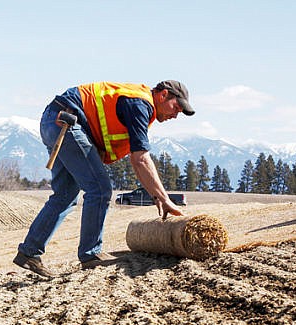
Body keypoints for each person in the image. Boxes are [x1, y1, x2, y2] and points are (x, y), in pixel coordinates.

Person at [13, 80, 194, 277]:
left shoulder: (139, 102)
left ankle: (29, 252)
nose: (176, 115)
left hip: (55, 119)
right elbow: (140, 159)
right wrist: (164, 199)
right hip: (67, 121)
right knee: (100, 190)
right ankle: (91, 254)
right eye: (176, 107)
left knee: (65, 194)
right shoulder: (139, 104)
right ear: (163, 95)